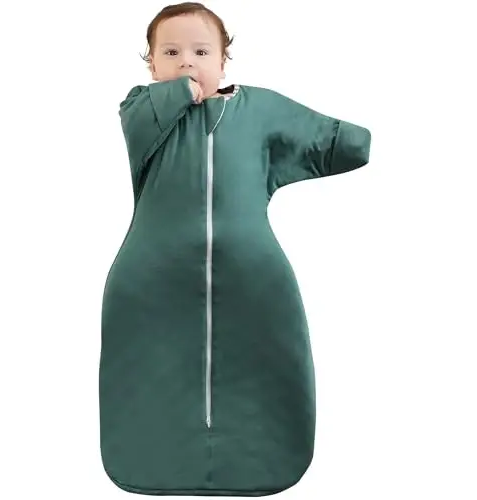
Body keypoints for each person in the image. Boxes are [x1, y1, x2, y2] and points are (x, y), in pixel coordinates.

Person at [100, 2, 372, 496]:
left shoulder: (257, 110)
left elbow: (342, 142)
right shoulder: (140, 109)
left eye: (201, 52)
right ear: (151, 65)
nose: (187, 61)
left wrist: (355, 140)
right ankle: (154, 462)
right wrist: (185, 89)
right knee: (153, 368)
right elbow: (150, 112)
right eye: (171, 52)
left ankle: (262, 458)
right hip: (153, 273)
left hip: (251, 268)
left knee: (265, 358)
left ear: (225, 61)